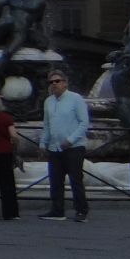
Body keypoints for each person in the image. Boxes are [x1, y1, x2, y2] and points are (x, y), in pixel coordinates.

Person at [40, 70, 91, 222]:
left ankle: (81, 211)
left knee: (76, 180)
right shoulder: (48, 101)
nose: (54, 84)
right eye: (51, 82)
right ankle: (57, 210)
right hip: (55, 147)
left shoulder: (76, 99)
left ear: (65, 83)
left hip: (74, 147)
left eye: (57, 81)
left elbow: (84, 122)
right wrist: (43, 143)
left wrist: (71, 139)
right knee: (55, 180)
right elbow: (47, 124)